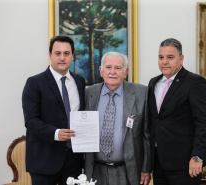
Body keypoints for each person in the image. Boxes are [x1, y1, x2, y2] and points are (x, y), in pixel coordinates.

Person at [147, 38, 206, 185]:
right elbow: (154, 121)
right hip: (158, 164)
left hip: (185, 165)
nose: (164, 61)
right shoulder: (153, 83)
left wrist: (197, 157)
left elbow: (203, 123)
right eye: (161, 57)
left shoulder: (195, 82)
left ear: (181, 59)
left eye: (170, 57)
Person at [22, 36, 85, 185]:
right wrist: (56, 133)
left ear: (72, 56)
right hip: (44, 160)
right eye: (57, 53)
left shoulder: (80, 81)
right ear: (50, 55)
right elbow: (30, 120)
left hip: (73, 161)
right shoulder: (34, 83)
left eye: (66, 53)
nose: (62, 58)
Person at [85, 51, 151, 185]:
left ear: (126, 72)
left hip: (128, 171)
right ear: (101, 70)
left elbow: (147, 135)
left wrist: (146, 168)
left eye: (118, 68)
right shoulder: (88, 93)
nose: (112, 72)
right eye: (108, 67)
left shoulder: (142, 93)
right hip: (95, 170)